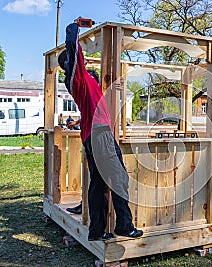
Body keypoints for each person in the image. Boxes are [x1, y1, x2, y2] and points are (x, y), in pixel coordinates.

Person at [58, 22, 143, 241]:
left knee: (98, 184)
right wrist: (74, 27)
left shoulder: (85, 83)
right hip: (99, 135)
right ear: (70, 63)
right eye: (76, 59)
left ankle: (96, 231)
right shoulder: (76, 79)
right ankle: (124, 225)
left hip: (94, 135)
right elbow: (74, 50)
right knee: (119, 177)